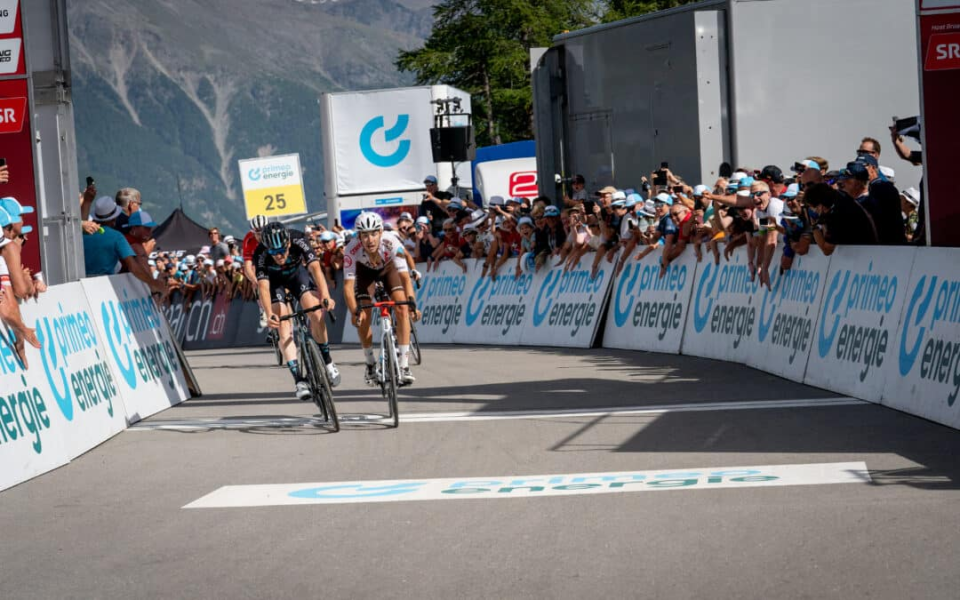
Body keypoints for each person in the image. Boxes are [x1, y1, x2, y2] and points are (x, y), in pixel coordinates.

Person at [255, 221, 340, 400]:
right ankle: (299, 380)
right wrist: (268, 312)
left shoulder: (298, 239)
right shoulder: (261, 253)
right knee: (282, 324)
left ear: (288, 243)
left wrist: (325, 295)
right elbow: (263, 286)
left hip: (296, 276)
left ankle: (328, 361)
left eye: (282, 251)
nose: (278, 256)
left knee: (315, 312)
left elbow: (316, 269)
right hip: (275, 284)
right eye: (274, 252)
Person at [342, 212, 418, 386]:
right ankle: (370, 364)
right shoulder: (351, 249)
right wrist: (354, 312)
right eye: (365, 235)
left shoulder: (392, 242)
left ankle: (404, 366)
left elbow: (405, 278)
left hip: (388, 269)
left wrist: (412, 301)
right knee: (364, 316)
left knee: (401, 308)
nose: (370, 239)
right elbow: (347, 287)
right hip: (364, 273)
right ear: (359, 236)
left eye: (374, 233)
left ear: (381, 232)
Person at [804, 183, 878, 256]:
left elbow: (826, 250)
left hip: (865, 253)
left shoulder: (835, 217)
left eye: (812, 207)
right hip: (869, 247)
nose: (813, 210)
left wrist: (814, 226)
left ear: (820, 206)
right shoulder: (839, 196)